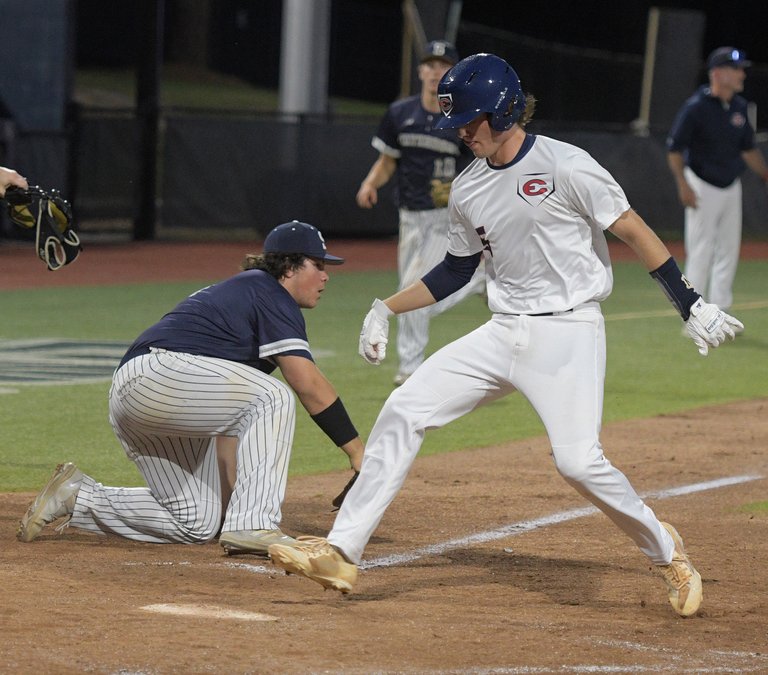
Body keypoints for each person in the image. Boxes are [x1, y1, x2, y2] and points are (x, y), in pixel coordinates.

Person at [268, 54, 745, 617]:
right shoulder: (469, 188)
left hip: (568, 331)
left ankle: (667, 552)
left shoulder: (567, 165)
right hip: (501, 332)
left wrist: (689, 303)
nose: (460, 133)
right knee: (404, 408)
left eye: (468, 121)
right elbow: (456, 269)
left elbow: (634, 231)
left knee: (577, 462)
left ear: (502, 110)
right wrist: (385, 307)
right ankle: (342, 552)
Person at [17, 220, 365, 556]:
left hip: (149, 394)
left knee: (196, 521)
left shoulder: (247, 299)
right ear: (288, 267)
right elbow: (308, 384)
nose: (325, 276)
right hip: (158, 375)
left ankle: (77, 496)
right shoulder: (268, 291)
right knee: (275, 397)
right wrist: (358, 453)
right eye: (318, 265)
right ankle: (255, 525)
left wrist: (233, 510)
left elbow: (232, 431)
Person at [356, 40, 484, 386]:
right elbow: (387, 161)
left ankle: (410, 366)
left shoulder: (462, 117)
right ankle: (474, 282)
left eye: (443, 66)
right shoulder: (400, 113)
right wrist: (370, 183)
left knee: (412, 288)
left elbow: (480, 166)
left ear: (454, 73)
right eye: (429, 65)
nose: (435, 71)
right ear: (420, 71)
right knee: (414, 290)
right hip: (409, 217)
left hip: (445, 217)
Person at [667, 46, 768, 317]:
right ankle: (695, 314)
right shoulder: (696, 107)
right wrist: (683, 184)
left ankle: (721, 309)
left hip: (731, 185)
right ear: (718, 73)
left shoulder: (739, 106)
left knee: (728, 249)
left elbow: (748, 149)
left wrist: (765, 174)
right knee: (701, 250)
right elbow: (674, 149)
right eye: (736, 70)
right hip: (701, 184)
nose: (742, 75)